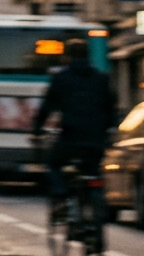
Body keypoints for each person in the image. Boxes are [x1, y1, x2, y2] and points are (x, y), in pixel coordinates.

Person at [30, 38, 116, 201]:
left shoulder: (61, 78)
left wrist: (36, 130)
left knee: (53, 164)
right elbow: (110, 107)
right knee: (93, 171)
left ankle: (61, 192)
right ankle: (95, 201)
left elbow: (47, 107)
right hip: (96, 139)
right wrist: (108, 129)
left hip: (70, 137)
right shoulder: (101, 78)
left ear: (67, 56)